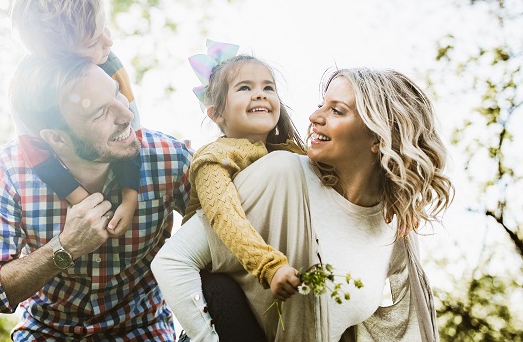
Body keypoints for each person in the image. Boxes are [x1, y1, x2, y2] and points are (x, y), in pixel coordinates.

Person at [153, 67, 454, 341]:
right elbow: (172, 262)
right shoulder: (281, 172)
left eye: (336, 110)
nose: (314, 117)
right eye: (322, 104)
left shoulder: (394, 226)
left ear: (378, 139)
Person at [0, 53, 192, 340]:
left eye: (117, 93)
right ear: (56, 139)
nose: (127, 115)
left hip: (143, 329)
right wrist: (64, 248)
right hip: (47, 331)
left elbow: (238, 228)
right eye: (100, 113)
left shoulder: (168, 159)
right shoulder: (9, 173)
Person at [151, 40, 305, 341]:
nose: (259, 93)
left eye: (268, 87)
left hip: (253, 280)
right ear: (216, 114)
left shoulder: (286, 155)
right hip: (213, 264)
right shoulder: (216, 156)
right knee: (169, 262)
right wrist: (269, 267)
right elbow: (224, 216)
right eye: (244, 88)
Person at [10, 0, 140, 236]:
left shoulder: (110, 65)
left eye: (105, 27)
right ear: (63, 59)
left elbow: (132, 131)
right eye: (93, 42)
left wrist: (130, 196)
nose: (109, 41)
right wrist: (86, 202)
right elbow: (38, 157)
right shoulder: (25, 91)